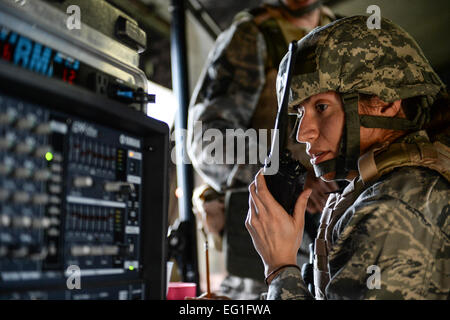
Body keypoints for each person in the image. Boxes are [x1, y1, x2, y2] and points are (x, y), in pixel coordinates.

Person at [246, 15, 449, 299]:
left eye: (321, 106)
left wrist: (280, 267)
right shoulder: (388, 188)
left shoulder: (395, 207)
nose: (303, 133)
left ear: (386, 102)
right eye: (300, 113)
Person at [187, 0, 338, 299]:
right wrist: (290, 174)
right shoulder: (252, 36)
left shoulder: (344, 34)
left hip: (337, 240)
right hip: (266, 256)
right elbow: (207, 140)